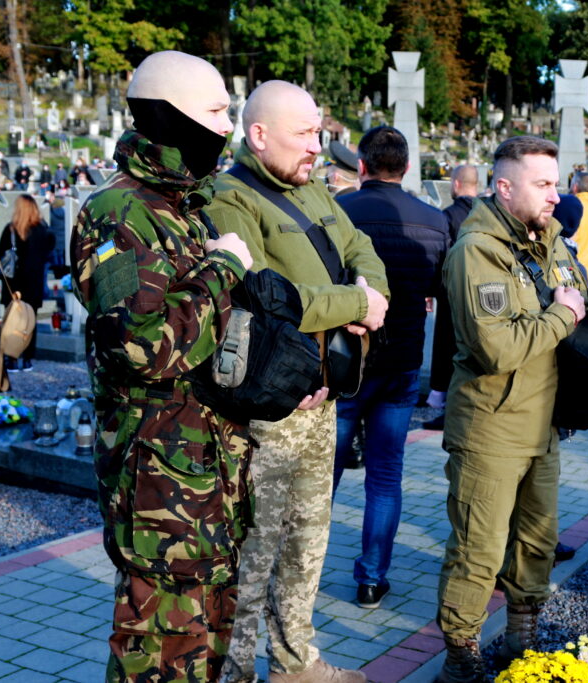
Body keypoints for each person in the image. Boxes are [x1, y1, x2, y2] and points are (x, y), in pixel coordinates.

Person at [434, 136, 588, 681]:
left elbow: (581, 323)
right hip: (491, 427)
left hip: (544, 423)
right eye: (542, 184)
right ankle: (460, 657)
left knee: (536, 541)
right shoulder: (477, 252)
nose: (555, 195)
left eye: (556, 183)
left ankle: (521, 636)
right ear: (504, 187)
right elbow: (496, 349)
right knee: (478, 550)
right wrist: (563, 315)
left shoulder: (552, 242)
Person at [70, 50, 259, 681]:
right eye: (217, 111)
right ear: (171, 117)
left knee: (208, 640)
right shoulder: (118, 214)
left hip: (208, 468)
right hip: (158, 482)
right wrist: (223, 268)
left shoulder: (183, 207)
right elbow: (141, 346)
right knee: (159, 651)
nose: (228, 127)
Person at [209, 79, 388, 683]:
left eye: (318, 132)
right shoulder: (231, 198)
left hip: (322, 398)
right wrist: (354, 304)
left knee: (309, 542)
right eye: (305, 133)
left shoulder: (312, 187)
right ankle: (236, 672)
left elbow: (362, 246)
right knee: (254, 552)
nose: (318, 145)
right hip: (269, 412)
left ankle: (294, 663)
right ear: (259, 135)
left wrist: (369, 289)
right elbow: (264, 296)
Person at [333, 125, 449, 608]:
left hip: (346, 360)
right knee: (385, 475)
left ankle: (300, 568)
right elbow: (439, 287)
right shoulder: (434, 220)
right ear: (406, 167)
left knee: (324, 472)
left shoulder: (340, 210)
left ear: (361, 165)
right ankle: (371, 577)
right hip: (402, 359)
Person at [424, 164, 479, 431]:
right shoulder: (487, 214)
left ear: (456, 184)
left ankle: (445, 403)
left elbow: (439, 255)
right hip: (481, 293)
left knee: (447, 348)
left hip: (451, 293)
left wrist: (431, 289)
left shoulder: (446, 216)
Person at [0, 194, 55, 371]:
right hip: (34, 283)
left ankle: (12, 358)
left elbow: (0, 254)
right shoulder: (43, 230)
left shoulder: (11, 229)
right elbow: (50, 251)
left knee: (12, 322)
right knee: (30, 321)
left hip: (13, 283)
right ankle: (28, 358)